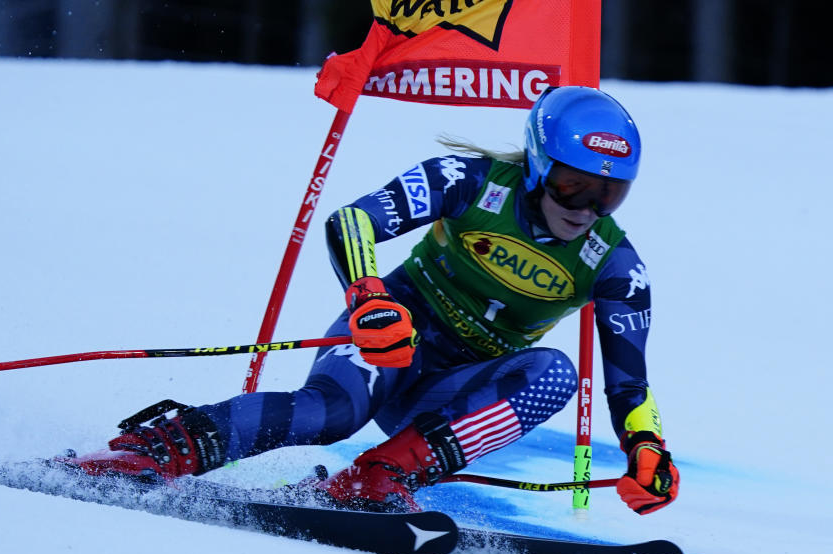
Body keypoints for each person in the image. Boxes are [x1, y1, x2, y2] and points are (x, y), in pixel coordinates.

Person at [69, 86, 679, 516]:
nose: (586, 208)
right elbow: (353, 222)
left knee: (554, 374)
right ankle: (158, 448)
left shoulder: (618, 267)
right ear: (540, 165)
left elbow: (630, 386)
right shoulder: (464, 181)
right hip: (392, 334)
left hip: (451, 391)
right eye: (573, 184)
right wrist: (370, 301)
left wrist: (646, 447)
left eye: (610, 194)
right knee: (329, 415)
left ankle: (377, 477)